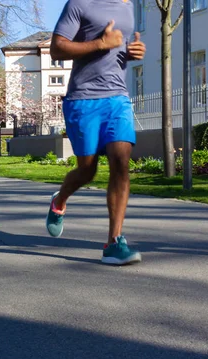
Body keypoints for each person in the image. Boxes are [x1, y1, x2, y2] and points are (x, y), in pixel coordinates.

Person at [45, 0, 146, 265]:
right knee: (87, 171)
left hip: (117, 98)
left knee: (121, 162)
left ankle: (114, 242)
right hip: (83, 99)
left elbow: (119, 48)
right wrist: (100, 44)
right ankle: (60, 200)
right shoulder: (80, 3)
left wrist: (132, 51)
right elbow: (57, 48)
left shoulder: (128, 5)